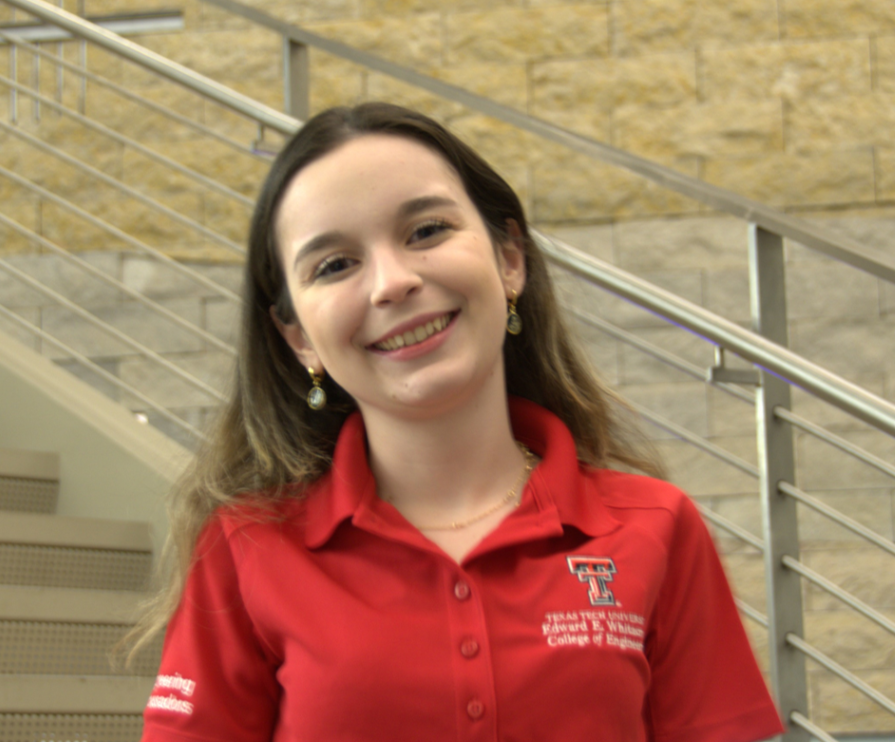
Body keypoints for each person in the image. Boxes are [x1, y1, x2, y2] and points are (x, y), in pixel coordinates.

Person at [136, 102, 784, 742]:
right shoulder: (246, 545)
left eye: (425, 231)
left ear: (509, 260)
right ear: (298, 335)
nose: (391, 282)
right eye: (334, 265)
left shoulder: (655, 528)